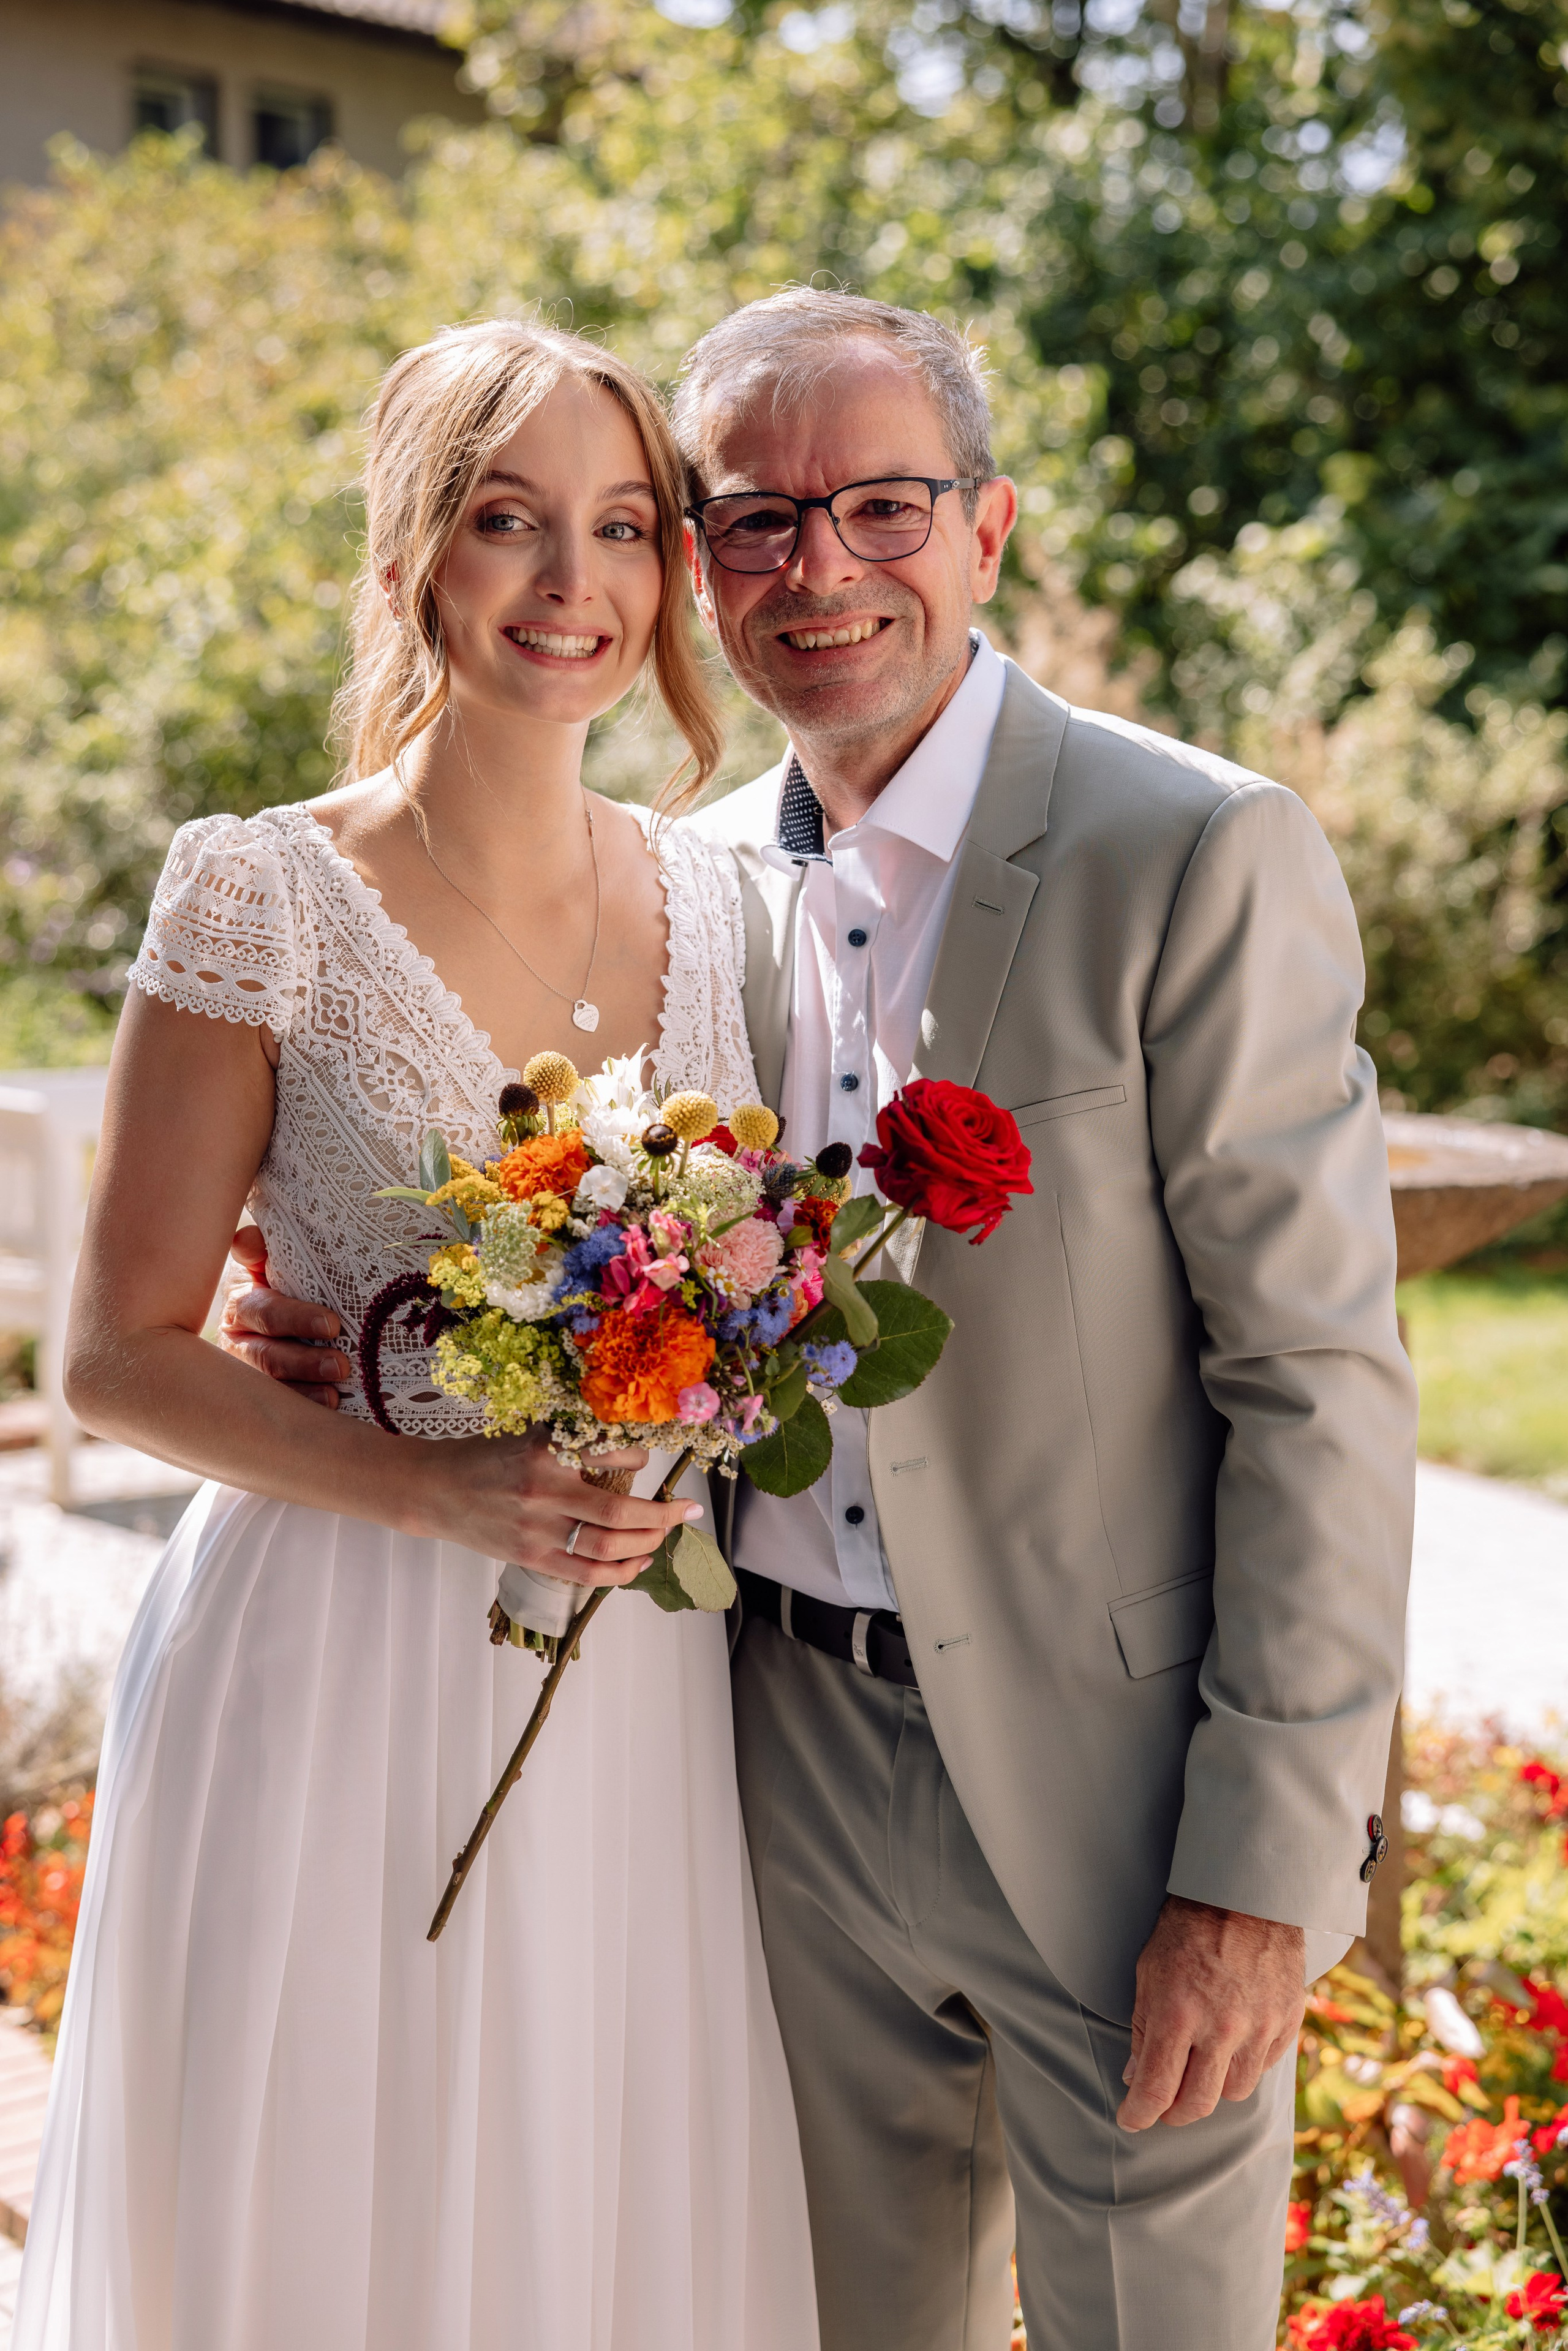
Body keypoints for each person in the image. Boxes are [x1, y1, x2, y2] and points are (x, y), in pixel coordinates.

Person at [227, 290, 1419, 2350]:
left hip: (1119, 1803)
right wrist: (354, 1338)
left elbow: (1315, 1389)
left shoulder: (1193, 851)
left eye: (881, 505)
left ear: (988, 528)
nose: (818, 568)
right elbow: (566, 1243)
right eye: (754, 518)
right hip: (757, 1769)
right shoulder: (681, 892)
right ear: (699, 560)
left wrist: (1264, 1872)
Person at [15, 320, 818, 2351]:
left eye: (623, 527)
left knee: (586, 2197)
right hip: (331, 1657)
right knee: (323, 2213)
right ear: (410, 561)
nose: (575, 584)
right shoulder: (259, 894)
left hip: (630, 1676)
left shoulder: (720, 904)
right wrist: (429, 1486)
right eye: (506, 521)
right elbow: (115, 1352)